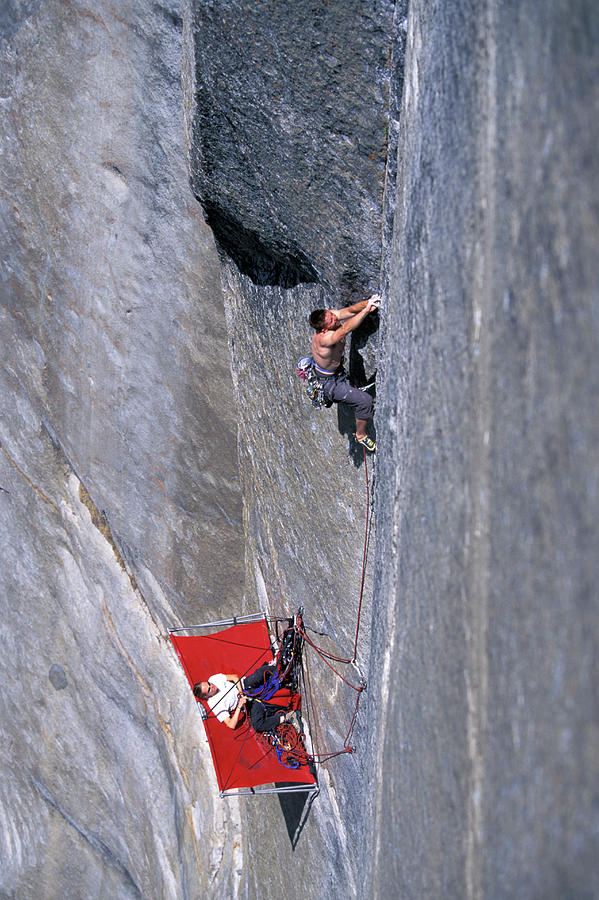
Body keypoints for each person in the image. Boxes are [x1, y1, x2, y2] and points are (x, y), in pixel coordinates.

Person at [308, 294, 380, 451]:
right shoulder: (325, 339)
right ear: (325, 329)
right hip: (328, 383)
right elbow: (346, 328)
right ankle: (361, 435)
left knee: (358, 397)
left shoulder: (329, 317)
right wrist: (367, 310)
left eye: (332, 315)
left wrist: (367, 302)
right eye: (333, 321)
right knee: (365, 401)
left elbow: (349, 310)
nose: (336, 318)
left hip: (333, 372)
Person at [193, 663, 289, 733]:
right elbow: (231, 725)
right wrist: (239, 706)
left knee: (259, 673)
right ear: (206, 696)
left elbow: (235, 677)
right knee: (258, 725)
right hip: (247, 703)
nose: (212, 686)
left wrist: (240, 690)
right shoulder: (215, 706)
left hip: (244, 685)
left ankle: (281, 671)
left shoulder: (213, 679)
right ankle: (283, 718)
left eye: (209, 684)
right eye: (209, 689)